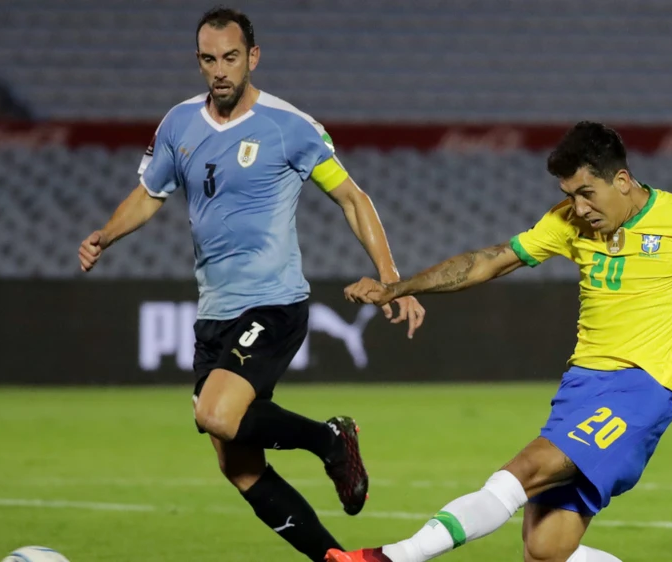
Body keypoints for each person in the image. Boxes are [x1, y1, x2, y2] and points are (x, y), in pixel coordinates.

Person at [328, 121, 672, 562]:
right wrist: (399, 287)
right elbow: (491, 259)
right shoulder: (568, 223)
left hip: (641, 390)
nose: (579, 208)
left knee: (521, 472)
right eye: (570, 196)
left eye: (587, 193)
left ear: (622, 180)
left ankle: (391, 556)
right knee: (545, 549)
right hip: (580, 388)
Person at [77, 7, 425, 562]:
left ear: (253, 58)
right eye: (209, 59)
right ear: (198, 61)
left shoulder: (290, 126)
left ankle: (331, 441)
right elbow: (149, 194)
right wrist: (106, 235)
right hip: (213, 312)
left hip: (273, 303)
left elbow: (352, 198)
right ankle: (333, 559)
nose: (220, 70)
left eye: (231, 57)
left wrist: (391, 278)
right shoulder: (178, 124)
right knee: (237, 465)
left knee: (215, 414)